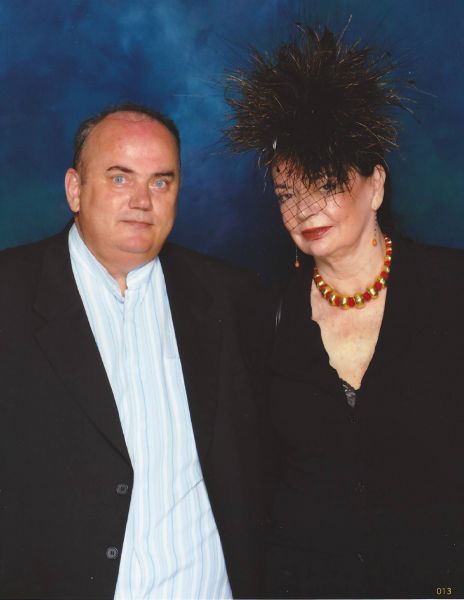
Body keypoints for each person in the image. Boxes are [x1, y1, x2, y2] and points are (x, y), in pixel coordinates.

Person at [225, 25, 464, 599]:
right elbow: (258, 478)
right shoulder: (266, 315)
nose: (305, 209)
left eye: (326, 184)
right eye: (287, 193)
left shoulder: (451, 287)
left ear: (375, 185)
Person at [0, 103, 266, 599]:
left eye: (161, 182)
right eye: (120, 178)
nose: (142, 201)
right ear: (75, 189)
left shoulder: (232, 297)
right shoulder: (9, 295)